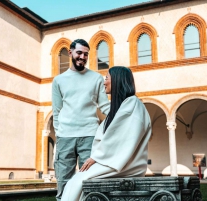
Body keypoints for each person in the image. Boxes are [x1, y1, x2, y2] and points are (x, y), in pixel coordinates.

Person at [61, 66, 152, 201]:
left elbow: (121, 138)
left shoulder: (132, 103)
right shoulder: (122, 106)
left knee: (77, 181)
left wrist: (96, 157)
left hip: (126, 164)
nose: (104, 82)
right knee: (77, 180)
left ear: (117, 81)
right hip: (115, 161)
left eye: (107, 78)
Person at [52, 39, 110, 201]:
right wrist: (59, 132)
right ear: (70, 53)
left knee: (89, 180)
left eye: (85, 54)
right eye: (79, 53)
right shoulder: (59, 80)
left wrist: (122, 112)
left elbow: (105, 106)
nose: (82, 57)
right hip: (65, 137)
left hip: (89, 136)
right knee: (63, 180)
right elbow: (56, 111)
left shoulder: (96, 78)